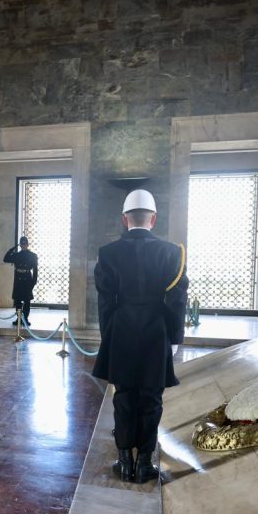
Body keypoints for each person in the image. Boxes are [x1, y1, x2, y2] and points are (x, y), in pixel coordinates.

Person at [93, 189, 188, 484]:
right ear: (153, 219)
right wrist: (174, 337)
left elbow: (105, 301)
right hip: (156, 331)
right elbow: (176, 300)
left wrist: (108, 335)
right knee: (151, 397)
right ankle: (144, 463)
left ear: (125, 219)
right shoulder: (172, 252)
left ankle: (124, 462)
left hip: (121, 330)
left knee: (123, 395)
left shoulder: (108, 253)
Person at [3, 236, 38, 326]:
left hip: (27, 279)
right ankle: (18, 319)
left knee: (27, 301)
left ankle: (25, 319)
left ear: (27, 244)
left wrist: (34, 282)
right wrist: (13, 248)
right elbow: (5, 259)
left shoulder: (33, 256)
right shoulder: (16, 255)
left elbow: (35, 270)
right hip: (18, 280)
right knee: (18, 300)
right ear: (20, 245)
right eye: (22, 244)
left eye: (25, 244)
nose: (23, 246)